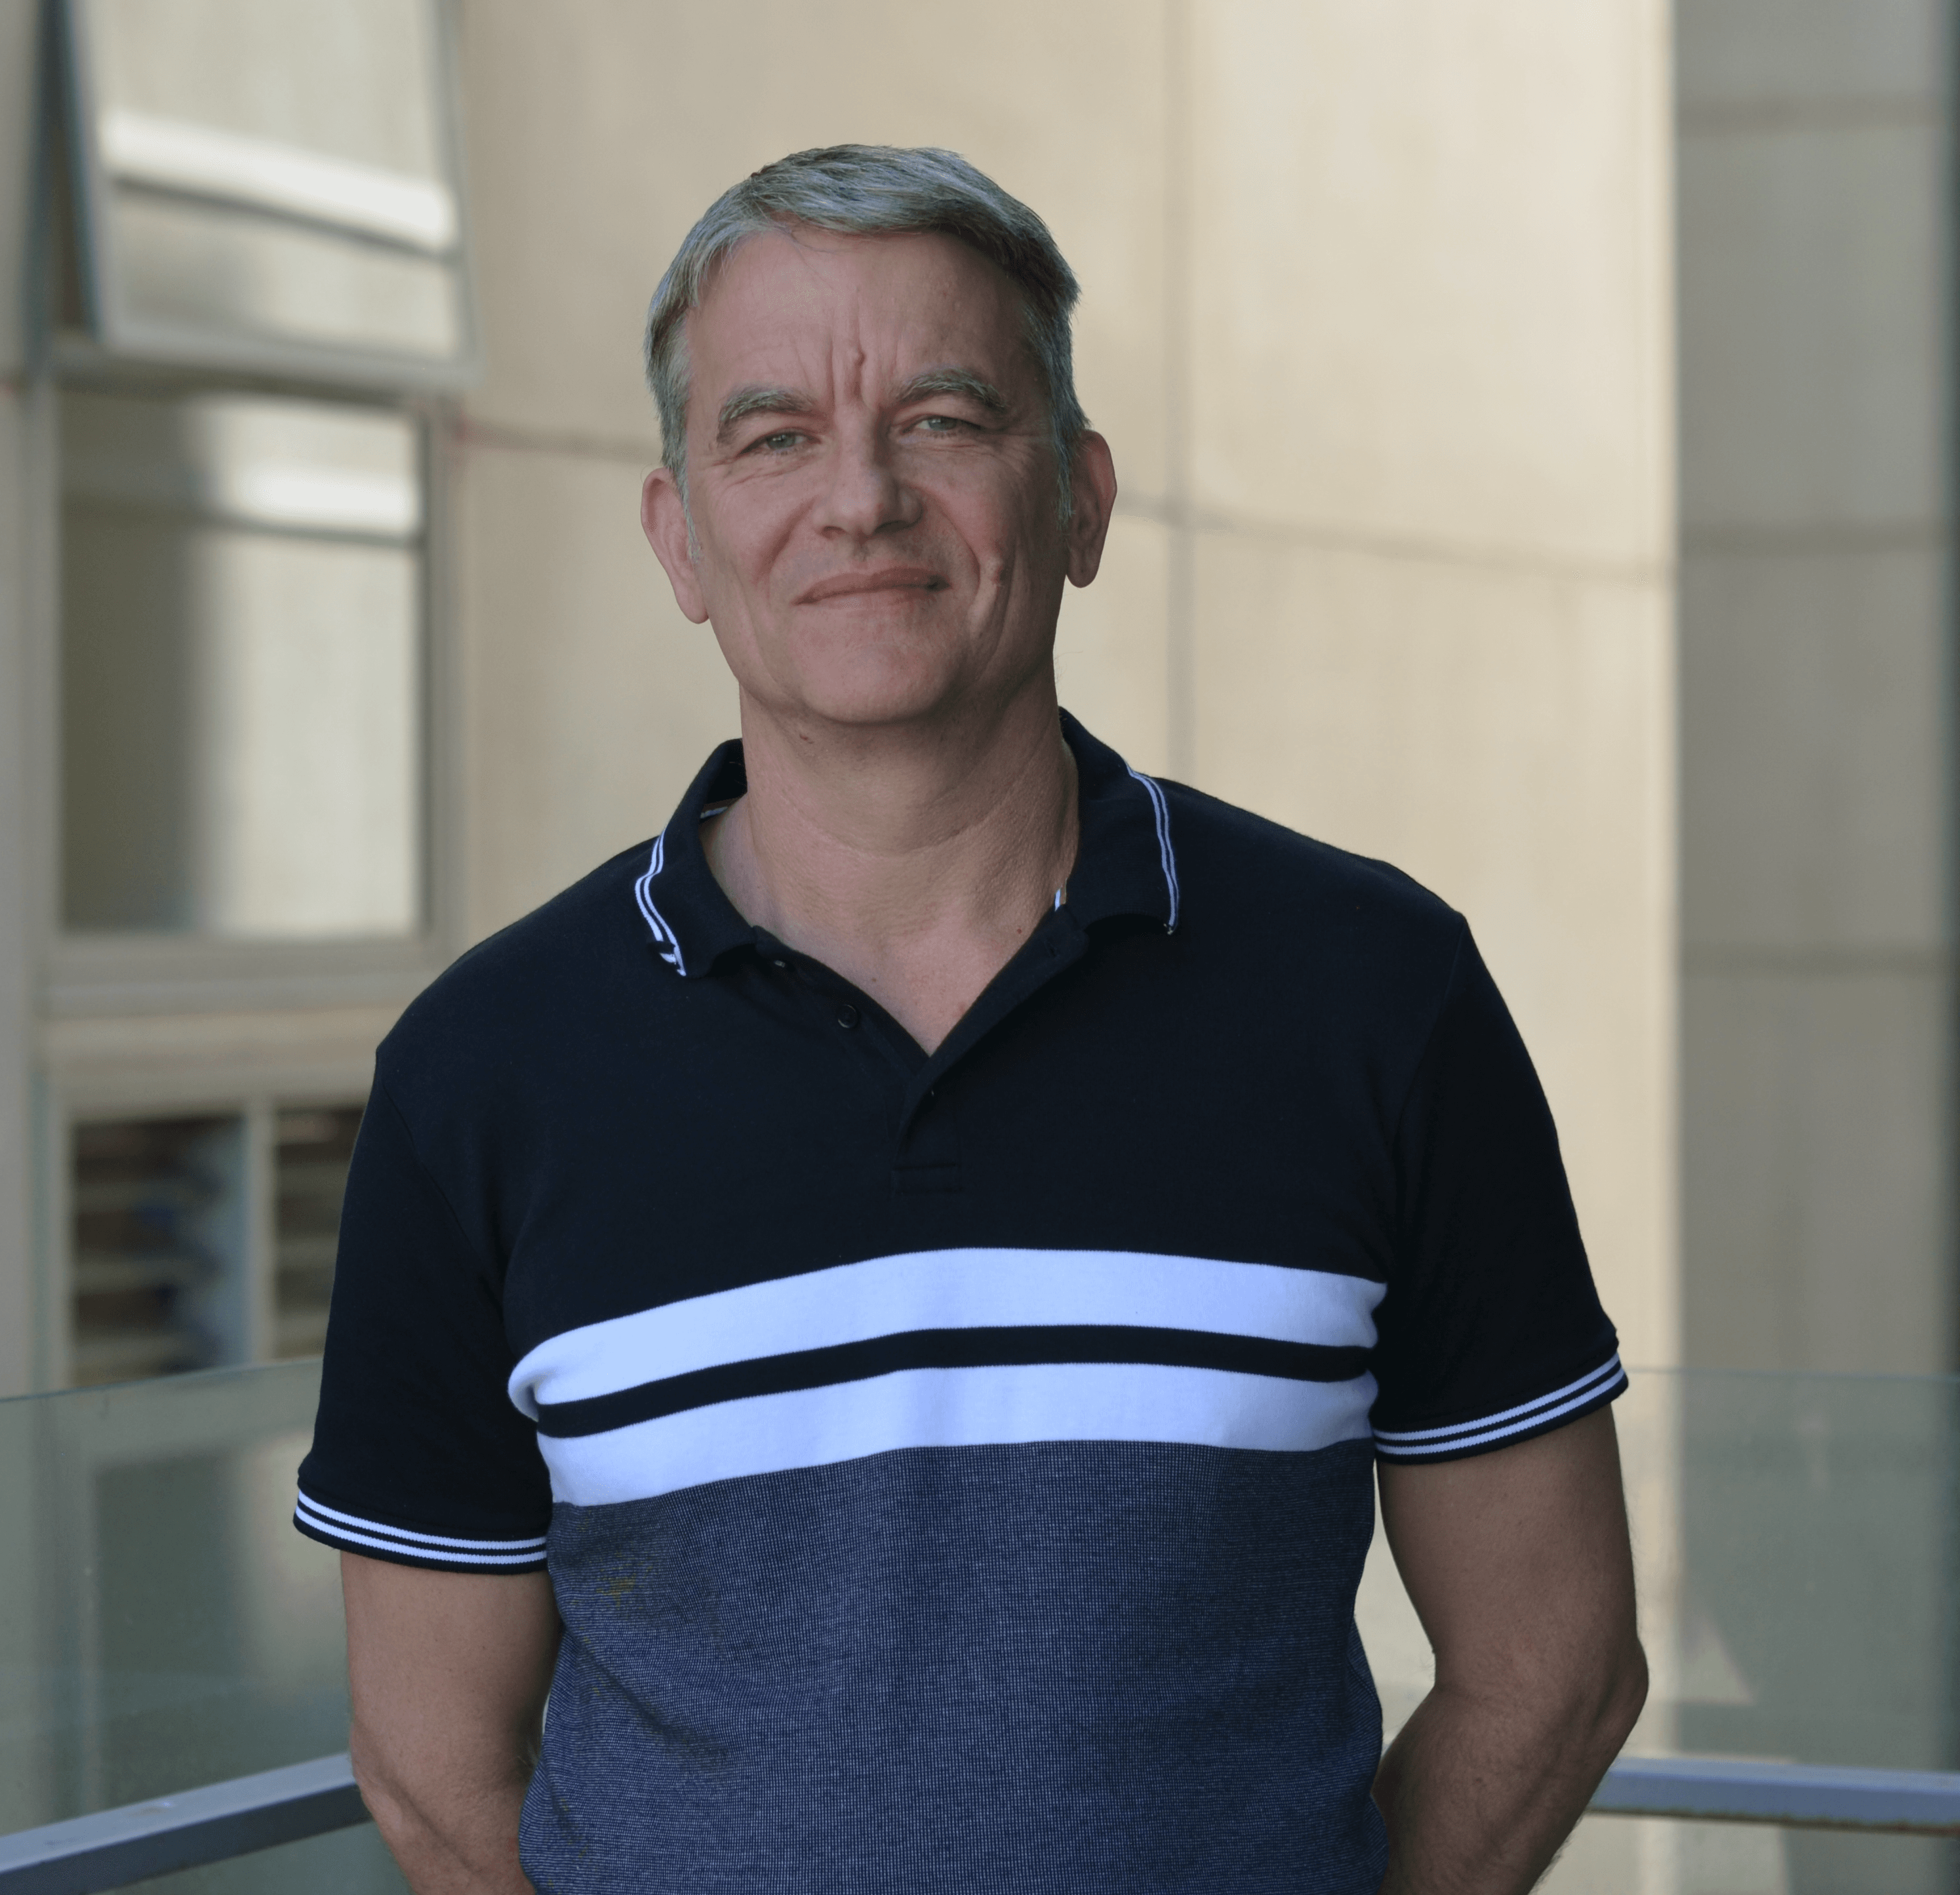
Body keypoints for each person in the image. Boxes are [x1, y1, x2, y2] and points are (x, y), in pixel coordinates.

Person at [294, 144, 1647, 1894]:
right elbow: (431, 1772)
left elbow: (1552, 1668)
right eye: (773, 434)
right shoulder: (485, 1076)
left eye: (942, 416)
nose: (860, 498)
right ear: (680, 538)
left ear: (1078, 499)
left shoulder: (1371, 993)